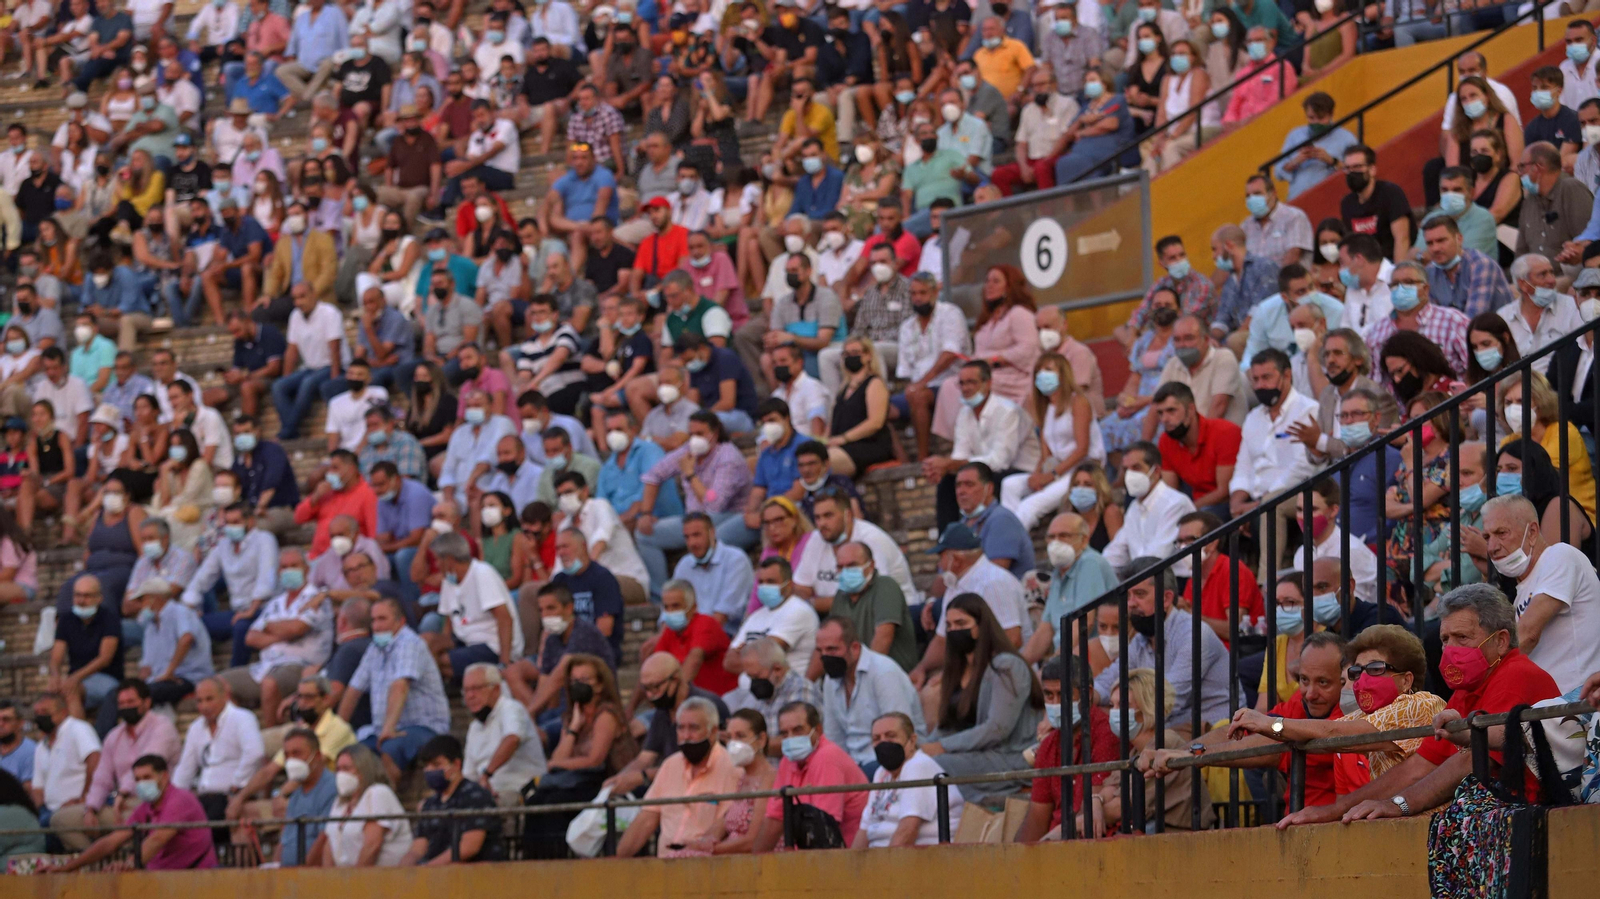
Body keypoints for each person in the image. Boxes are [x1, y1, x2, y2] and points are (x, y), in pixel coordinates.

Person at [1277, 585, 1561, 828]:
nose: (1450, 650)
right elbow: (1421, 765)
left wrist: (1398, 804)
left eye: (1462, 638)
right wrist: (1333, 811)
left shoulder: (1516, 673)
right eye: (1445, 640)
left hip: (1527, 816)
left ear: (1500, 641)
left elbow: (1474, 757)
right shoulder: (1467, 690)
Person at [917, 593, 1042, 802]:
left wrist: (942, 747)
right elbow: (947, 725)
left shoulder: (1006, 666)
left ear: (981, 626)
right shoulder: (958, 669)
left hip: (1009, 757)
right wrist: (920, 749)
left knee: (933, 766)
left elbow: (996, 729)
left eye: (961, 623)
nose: (954, 630)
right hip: (975, 754)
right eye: (949, 625)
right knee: (913, 763)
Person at [1477, 494, 1600, 694]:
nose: (1492, 547)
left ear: (1532, 532)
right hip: (1546, 704)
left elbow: (1528, 633)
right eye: (1487, 537)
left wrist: (1482, 677)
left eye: (1501, 533)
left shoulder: (1560, 555)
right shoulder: (1520, 595)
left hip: (1577, 702)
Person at [339, 597, 452, 783]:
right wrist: (338, 730)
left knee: (389, 749)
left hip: (424, 726)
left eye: (382, 619)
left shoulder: (410, 643)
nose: (376, 625)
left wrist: (388, 728)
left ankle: (387, 805)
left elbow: (400, 686)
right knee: (353, 755)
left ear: (400, 621)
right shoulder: (375, 648)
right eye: (373, 620)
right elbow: (354, 690)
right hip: (383, 728)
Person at [924, 360, 1041, 532]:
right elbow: (960, 455)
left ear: (988, 384)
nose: (965, 388)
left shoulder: (1008, 411)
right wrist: (941, 468)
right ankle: (949, 541)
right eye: (962, 383)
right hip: (988, 470)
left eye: (971, 382)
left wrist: (950, 464)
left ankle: (991, 536)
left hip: (1020, 472)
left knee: (987, 481)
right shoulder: (964, 413)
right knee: (949, 482)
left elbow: (1000, 461)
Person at [45, 754, 216, 872]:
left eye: (147, 777)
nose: (141, 783)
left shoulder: (179, 800)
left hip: (195, 878)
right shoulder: (145, 807)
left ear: (164, 777)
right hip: (162, 878)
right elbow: (112, 841)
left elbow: (157, 839)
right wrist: (68, 868)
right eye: (137, 779)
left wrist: (128, 864)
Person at [751, 700, 866, 851]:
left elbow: (822, 829)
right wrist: (755, 866)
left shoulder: (827, 757)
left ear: (817, 730)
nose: (790, 738)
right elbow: (774, 819)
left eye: (797, 730)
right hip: (809, 856)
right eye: (784, 733)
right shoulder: (787, 761)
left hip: (847, 858)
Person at [1024, 513, 1119, 663]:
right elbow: (1045, 629)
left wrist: (1055, 666)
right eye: (1051, 537)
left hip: (1092, 658)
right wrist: (1021, 666)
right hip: (1068, 658)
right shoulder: (1059, 571)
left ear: (1084, 540)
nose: (1056, 542)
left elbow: (1083, 624)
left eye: (1064, 536)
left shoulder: (1090, 563)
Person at [171, 677, 265, 828]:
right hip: (204, 796)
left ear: (225, 696)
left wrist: (237, 784)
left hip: (230, 795)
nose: (204, 706)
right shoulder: (196, 727)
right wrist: (173, 798)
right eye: (199, 701)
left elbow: (255, 752)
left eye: (209, 699)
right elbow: (185, 767)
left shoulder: (242, 718)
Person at [401, 735, 504, 865]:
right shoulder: (430, 804)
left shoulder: (476, 796)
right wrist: (403, 871)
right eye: (426, 766)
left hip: (473, 877)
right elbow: (418, 847)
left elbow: (469, 847)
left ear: (456, 764)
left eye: (436, 764)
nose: (429, 770)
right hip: (434, 877)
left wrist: (427, 870)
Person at [308, 743, 413, 867]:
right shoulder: (340, 802)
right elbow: (329, 846)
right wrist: (331, 881)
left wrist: (356, 882)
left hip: (381, 879)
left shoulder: (377, 793)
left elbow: (372, 846)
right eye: (338, 769)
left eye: (347, 768)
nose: (341, 775)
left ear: (364, 770)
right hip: (346, 880)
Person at [1101, 441, 1194, 569]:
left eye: (1136, 468)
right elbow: (1116, 551)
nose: (1130, 475)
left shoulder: (1175, 504)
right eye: (1126, 469)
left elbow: (1156, 557)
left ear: (1156, 471)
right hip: (1144, 581)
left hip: (1174, 582)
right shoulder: (1134, 507)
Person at [461, 663, 544, 805]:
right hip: (488, 793)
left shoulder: (511, 708)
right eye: (466, 690)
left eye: (476, 689)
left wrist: (486, 774)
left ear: (496, 689)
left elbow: (512, 739)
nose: (470, 696)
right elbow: (469, 775)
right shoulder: (474, 727)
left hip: (520, 790)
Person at [51, 573, 123, 733]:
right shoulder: (66, 619)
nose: (82, 601)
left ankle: (82, 741)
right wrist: (55, 675)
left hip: (107, 679)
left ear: (99, 598)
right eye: (78, 595)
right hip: (78, 680)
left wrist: (76, 677)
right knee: (51, 698)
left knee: (71, 688)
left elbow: (105, 658)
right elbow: (57, 655)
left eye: (87, 596)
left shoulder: (109, 619)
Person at [1339, 144, 1412, 262]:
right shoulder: (1347, 203)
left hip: (1391, 263)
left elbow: (1402, 239)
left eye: (1357, 167)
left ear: (1372, 169)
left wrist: (1397, 276)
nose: (1351, 172)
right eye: (1347, 168)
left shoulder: (1391, 193)